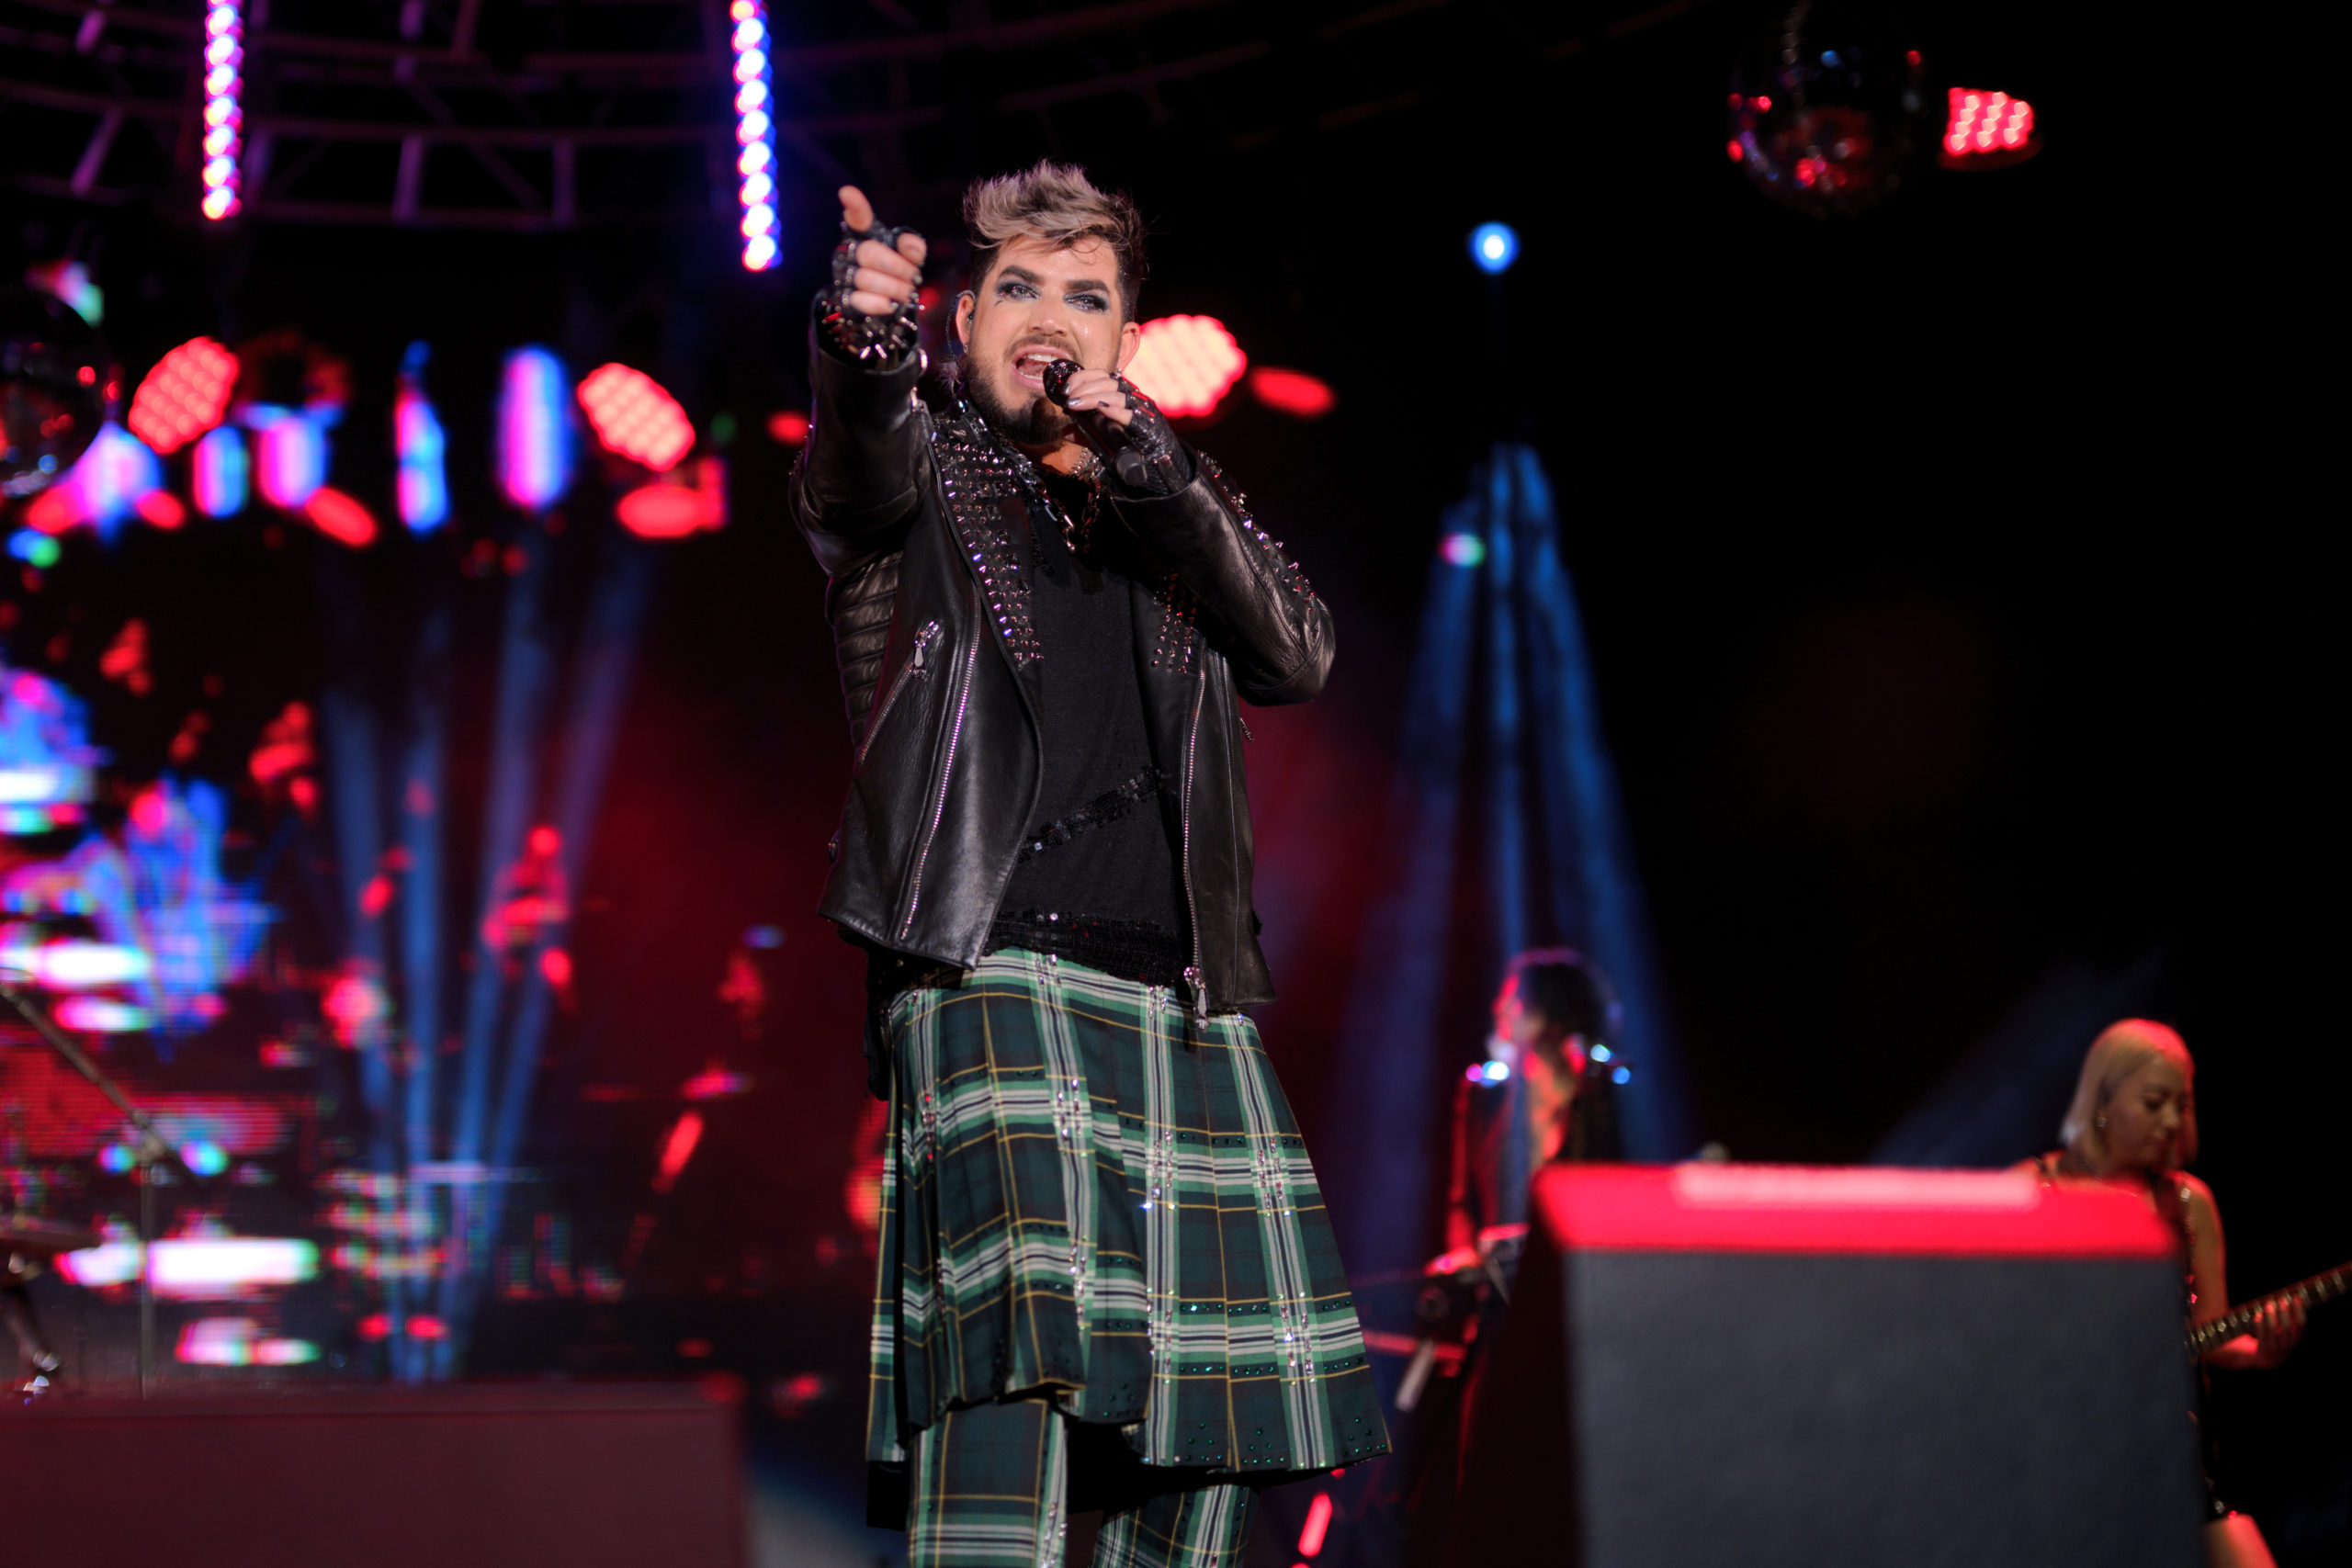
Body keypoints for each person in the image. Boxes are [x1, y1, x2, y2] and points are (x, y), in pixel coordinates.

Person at [792, 163, 1387, 1568]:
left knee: (1205, 1438)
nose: (1049, 313)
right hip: (989, 964)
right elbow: (853, 461)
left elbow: (1297, 653)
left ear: (1127, 341)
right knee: (1016, 1378)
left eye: (1087, 294)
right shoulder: (919, 475)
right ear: (963, 318)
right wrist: (861, 342)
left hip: (1181, 1004)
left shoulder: (1160, 504)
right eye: (1017, 287)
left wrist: (1156, 465)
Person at [2025, 1019, 2303, 1568]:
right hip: (2073, 1467)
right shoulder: (2030, 1190)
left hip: (2179, 1460)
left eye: (2182, 1104)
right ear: (2103, 1100)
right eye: (2155, 1103)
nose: (2173, 1121)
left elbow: (2211, 1337)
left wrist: (2261, 1354)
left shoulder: (2190, 1202)